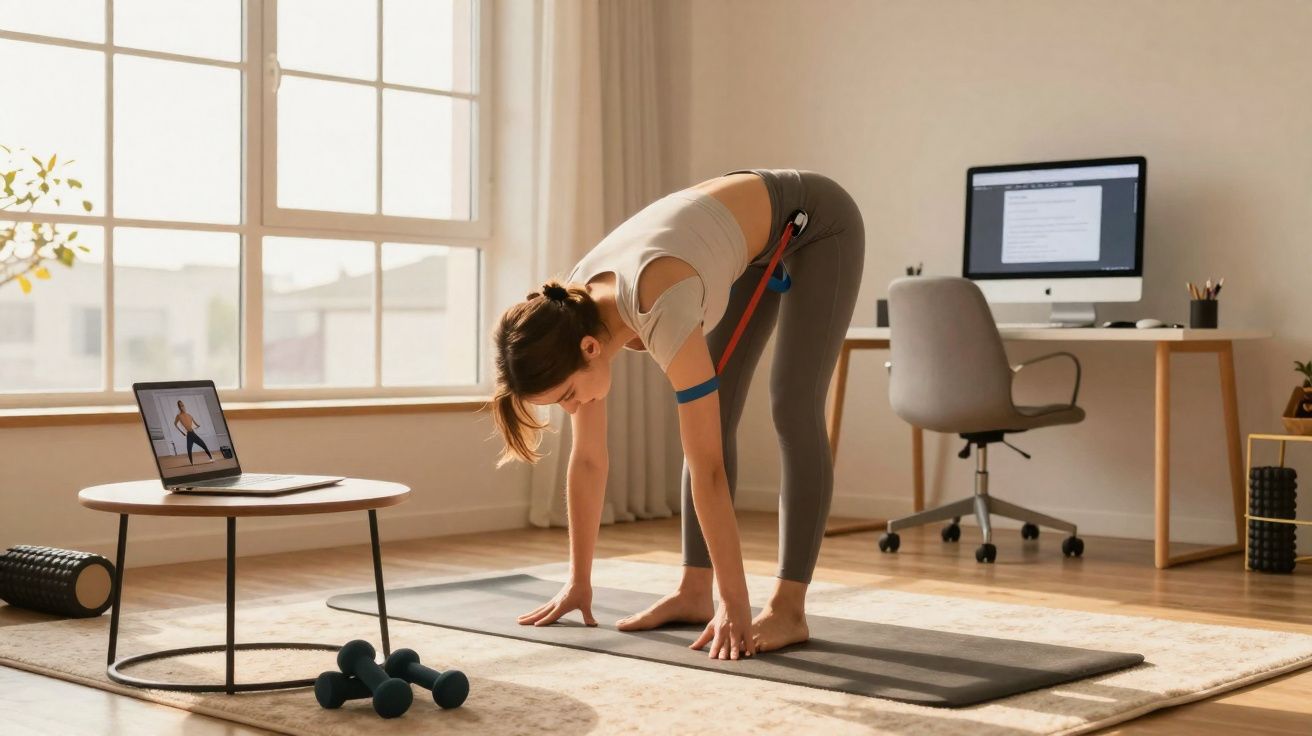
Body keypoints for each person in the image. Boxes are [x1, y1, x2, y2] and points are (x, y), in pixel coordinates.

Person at [491, 170, 864, 660]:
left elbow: (707, 468)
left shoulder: (659, 302)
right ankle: (693, 591)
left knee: (792, 403)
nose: (571, 408)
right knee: (719, 408)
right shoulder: (575, 314)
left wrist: (736, 605)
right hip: (747, 244)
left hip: (814, 222)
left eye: (567, 396)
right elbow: (587, 461)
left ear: (589, 350)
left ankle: (788, 607)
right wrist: (578, 582)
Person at [173, 400, 213, 465]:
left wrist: (197, 425)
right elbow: (175, 424)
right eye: (180, 406)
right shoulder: (179, 416)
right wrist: (181, 432)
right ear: (178, 407)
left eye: (182, 405)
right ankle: (192, 463)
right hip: (189, 435)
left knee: (204, 445)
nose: (182, 407)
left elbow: (196, 424)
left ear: (184, 406)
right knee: (189, 449)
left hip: (193, 434)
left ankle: (211, 458)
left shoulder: (189, 415)